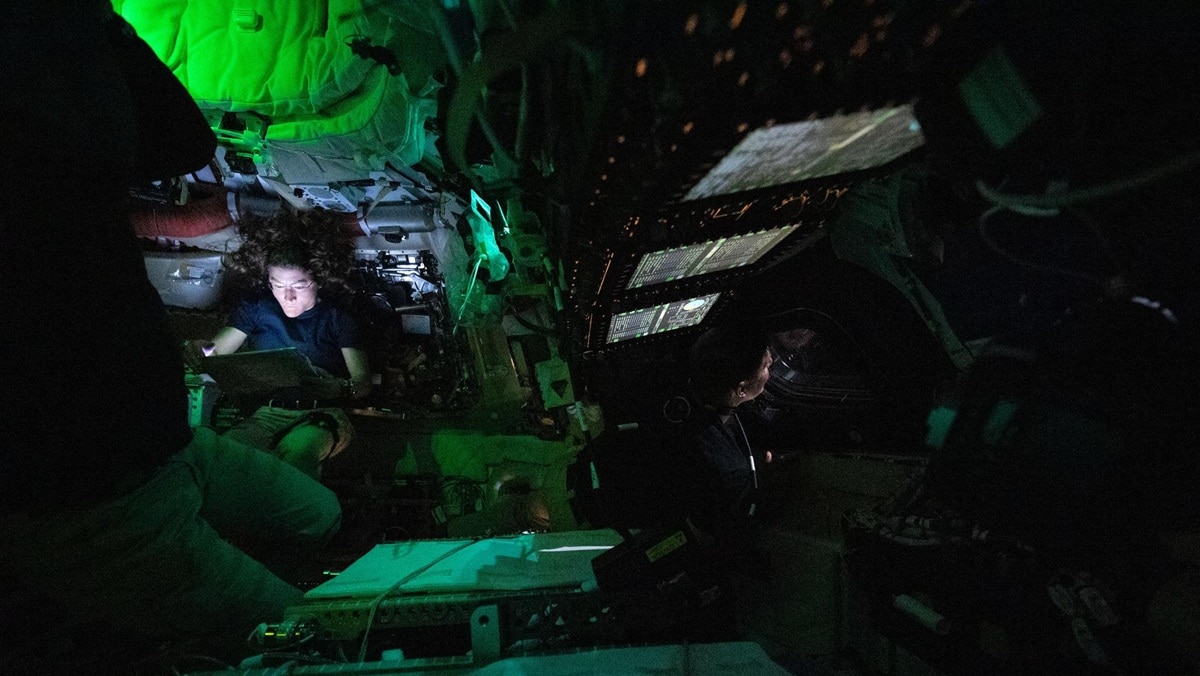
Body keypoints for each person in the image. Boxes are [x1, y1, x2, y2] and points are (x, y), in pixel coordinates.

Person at [0, 3, 341, 666]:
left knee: (316, 515)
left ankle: (209, 608)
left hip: (168, 447)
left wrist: (97, 26)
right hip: (89, 505)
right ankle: (212, 624)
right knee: (305, 645)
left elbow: (182, 143)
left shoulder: (64, 116)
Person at [192, 210, 372, 479]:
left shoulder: (337, 318)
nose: (287, 296)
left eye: (298, 286)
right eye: (277, 285)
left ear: (318, 281)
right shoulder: (257, 309)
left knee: (297, 451)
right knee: (224, 453)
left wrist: (341, 387)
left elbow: (363, 381)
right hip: (267, 414)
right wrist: (201, 350)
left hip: (321, 415)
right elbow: (214, 353)